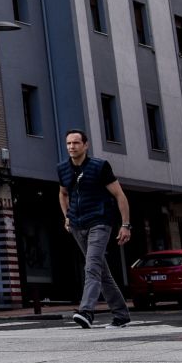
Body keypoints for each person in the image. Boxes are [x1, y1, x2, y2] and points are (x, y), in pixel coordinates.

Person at [57, 129, 132, 329]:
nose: (71, 147)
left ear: (85, 145)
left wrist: (125, 225)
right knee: (102, 272)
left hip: (99, 222)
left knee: (91, 267)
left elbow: (119, 195)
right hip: (76, 225)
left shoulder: (100, 167)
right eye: (68, 144)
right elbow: (63, 193)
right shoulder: (63, 168)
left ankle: (87, 311)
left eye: (76, 143)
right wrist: (66, 216)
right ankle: (121, 315)